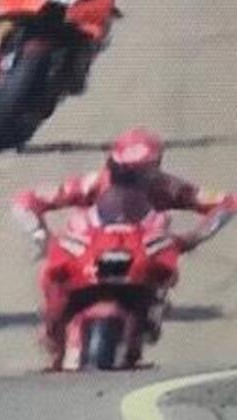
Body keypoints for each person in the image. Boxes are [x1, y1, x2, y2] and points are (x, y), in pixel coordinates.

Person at [12, 127, 237, 366]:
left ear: (155, 168)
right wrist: (43, 237)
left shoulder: (168, 186)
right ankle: (53, 325)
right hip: (95, 247)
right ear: (112, 164)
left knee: (162, 271)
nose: (128, 179)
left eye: (140, 173)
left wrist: (195, 236)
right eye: (121, 170)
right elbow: (28, 200)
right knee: (56, 272)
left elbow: (226, 202)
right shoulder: (93, 182)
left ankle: (150, 311)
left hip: (140, 248)